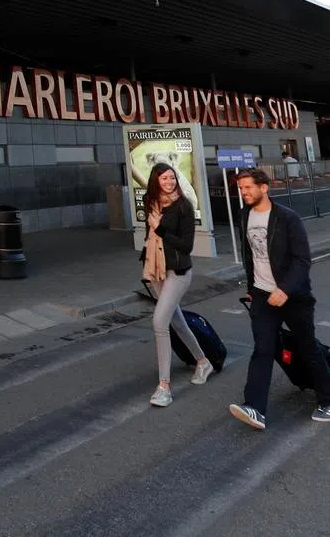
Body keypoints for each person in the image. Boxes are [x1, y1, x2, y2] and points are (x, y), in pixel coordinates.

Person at [229, 168, 330, 429]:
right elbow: (250, 255)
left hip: (293, 296)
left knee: (308, 348)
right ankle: (254, 408)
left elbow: (302, 259)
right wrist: (253, 287)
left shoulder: (287, 218)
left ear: (264, 188)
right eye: (241, 189)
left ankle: (327, 400)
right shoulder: (245, 215)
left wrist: (284, 289)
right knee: (263, 349)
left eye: (248, 187)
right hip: (262, 295)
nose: (244, 192)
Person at [141, 162, 214, 407]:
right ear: (156, 181)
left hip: (179, 271)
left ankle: (164, 387)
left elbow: (186, 245)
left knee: (159, 321)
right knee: (177, 322)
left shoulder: (183, 206)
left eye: (172, 177)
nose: (170, 182)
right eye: (164, 178)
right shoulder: (150, 202)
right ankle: (203, 362)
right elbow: (148, 237)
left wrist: (159, 229)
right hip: (158, 269)